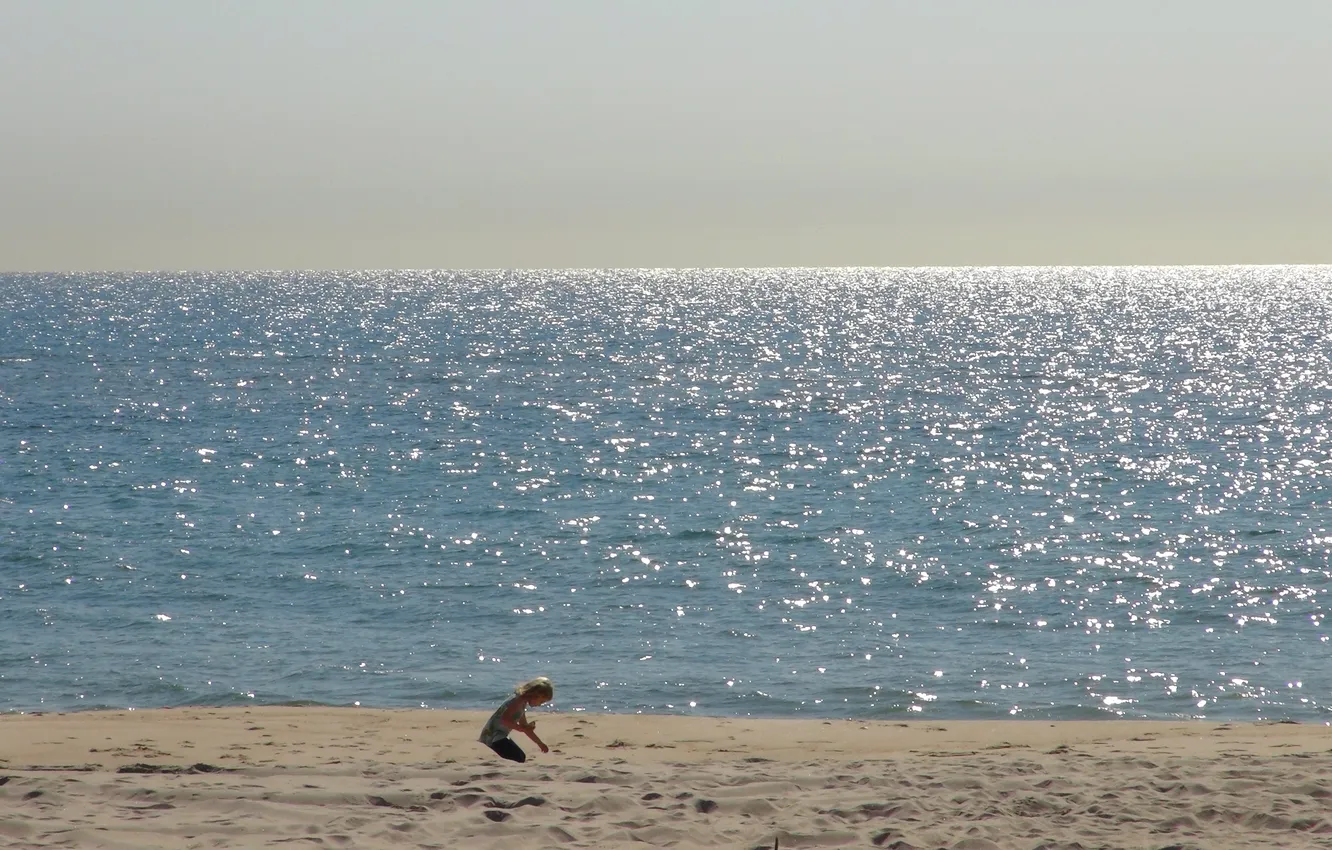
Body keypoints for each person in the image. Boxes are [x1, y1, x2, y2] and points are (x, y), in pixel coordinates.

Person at [478, 676, 554, 762]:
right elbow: (504, 719)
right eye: (541, 701)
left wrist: (540, 743)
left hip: (500, 736)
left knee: (520, 757)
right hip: (493, 736)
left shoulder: (522, 703)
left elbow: (525, 727)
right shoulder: (518, 700)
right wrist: (520, 729)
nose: (540, 704)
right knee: (519, 757)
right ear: (535, 695)